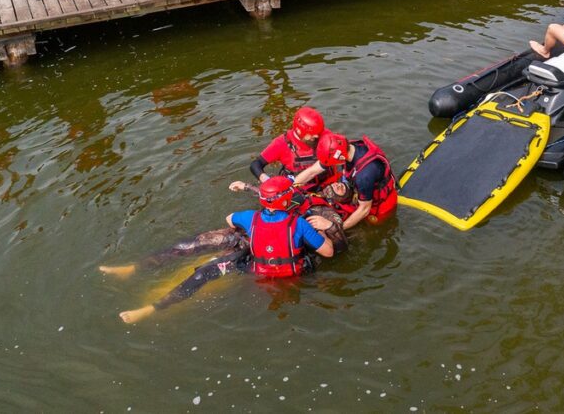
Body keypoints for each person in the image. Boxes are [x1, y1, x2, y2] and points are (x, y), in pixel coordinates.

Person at [104, 176, 337, 323]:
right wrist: (324, 231)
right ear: (286, 202)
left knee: (204, 272)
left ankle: (139, 280)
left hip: (255, 267)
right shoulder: (300, 224)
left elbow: (229, 220)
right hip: (288, 275)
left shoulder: (251, 217)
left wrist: (254, 227)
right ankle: (147, 306)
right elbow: (328, 252)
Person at [295, 132, 398, 230]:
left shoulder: (364, 175)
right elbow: (313, 171)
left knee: (370, 226)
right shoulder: (346, 147)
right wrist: (291, 187)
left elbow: (364, 210)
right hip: (360, 187)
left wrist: (337, 228)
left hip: (379, 205)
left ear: (341, 157)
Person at [228, 106, 329, 194]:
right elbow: (256, 164)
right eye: (313, 134)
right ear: (299, 131)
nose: (317, 136)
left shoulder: (323, 135)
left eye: (319, 133)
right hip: (296, 186)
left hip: (323, 181)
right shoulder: (281, 143)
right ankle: (247, 187)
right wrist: (268, 182)